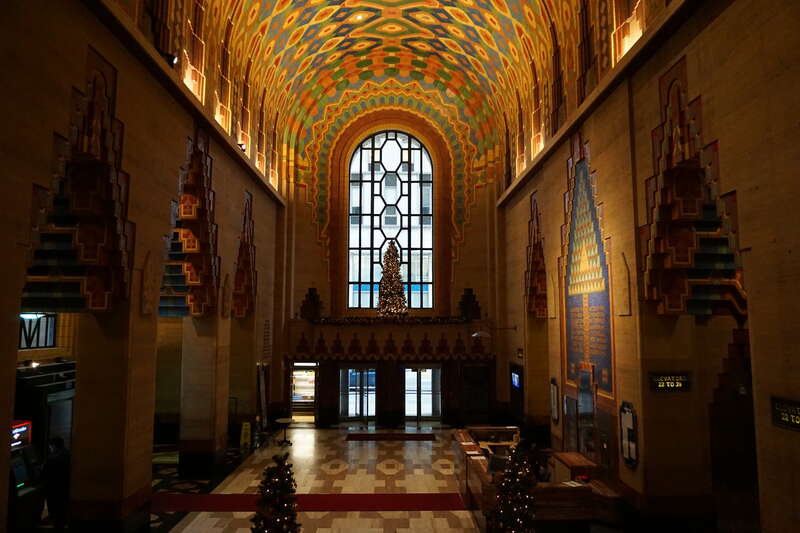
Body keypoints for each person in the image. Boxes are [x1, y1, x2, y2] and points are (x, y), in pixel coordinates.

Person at [42, 436, 70, 531]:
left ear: (53, 446)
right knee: (62, 512)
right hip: (65, 489)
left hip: (54, 490)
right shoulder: (68, 454)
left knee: (55, 511)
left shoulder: (52, 459)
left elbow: (43, 474)